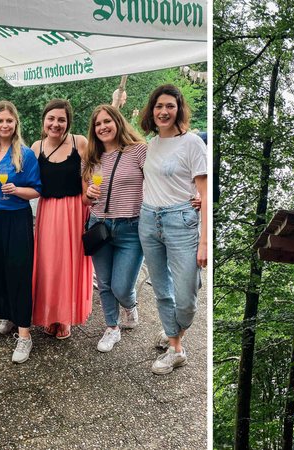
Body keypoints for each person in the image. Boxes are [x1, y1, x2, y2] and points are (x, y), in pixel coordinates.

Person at [138, 84, 208, 374]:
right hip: (148, 219)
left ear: (179, 109)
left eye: (170, 106)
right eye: (158, 106)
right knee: (162, 290)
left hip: (182, 221)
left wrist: (205, 242)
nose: (163, 111)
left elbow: (204, 194)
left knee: (187, 292)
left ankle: (175, 329)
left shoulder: (192, 143)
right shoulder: (150, 144)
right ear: (151, 111)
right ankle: (175, 347)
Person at [0, 101, 42, 364]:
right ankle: (10, 315)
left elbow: (37, 189)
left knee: (18, 271)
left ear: (16, 124)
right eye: (0, 121)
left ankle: (25, 335)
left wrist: (17, 190)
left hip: (15, 219)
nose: (4, 125)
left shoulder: (25, 154)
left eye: (9, 121)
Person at [82, 105, 147, 352]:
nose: (102, 127)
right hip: (99, 225)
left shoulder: (139, 151)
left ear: (118, 122)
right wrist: (88, 194)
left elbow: (158, 182)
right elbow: (85, 200)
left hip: (131, 227)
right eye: (97, 124)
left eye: (107, 121)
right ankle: (112, 328)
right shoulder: (91, 156)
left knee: (122, 287)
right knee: (105, 284)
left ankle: (129, 305)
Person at [30, 99, 92, 340]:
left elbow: (93, 172)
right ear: (44, 121)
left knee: (71, 263)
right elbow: (28, 179)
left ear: (68, 122)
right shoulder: (36, 147)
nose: (56, 124)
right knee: (49, 264)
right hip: (48, 211)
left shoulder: (80, 142)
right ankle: (50, 314)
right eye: (51, 119)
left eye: (61, 119)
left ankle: (65, 317)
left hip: (75, 210)